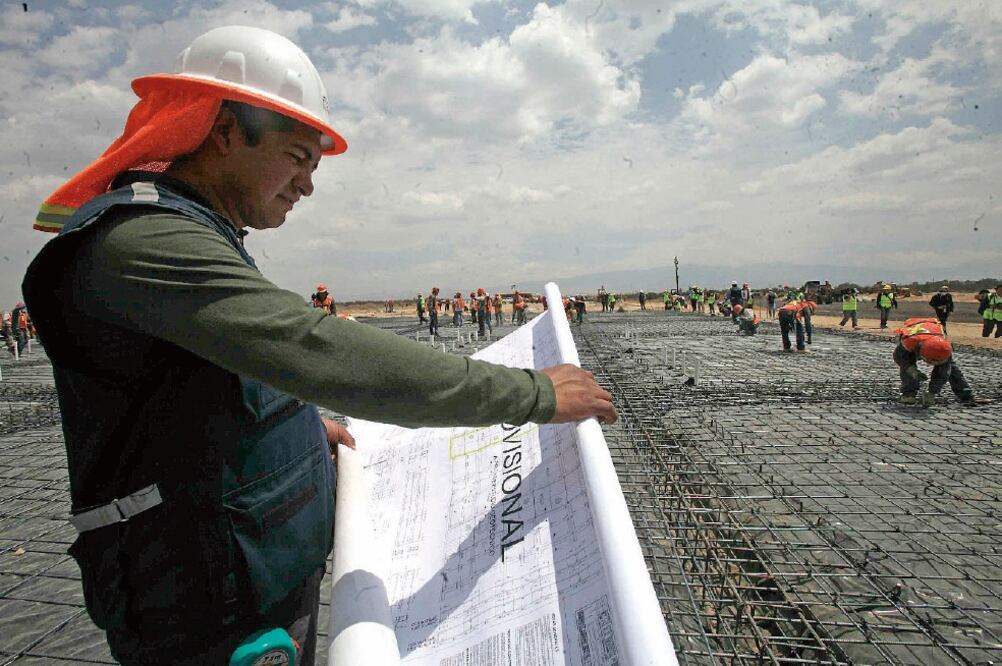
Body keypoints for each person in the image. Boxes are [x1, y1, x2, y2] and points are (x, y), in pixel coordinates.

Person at [22, 27, 619, 665]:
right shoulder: (142, 242)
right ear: (225, 132)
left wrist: (300, 431)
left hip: (248, 577)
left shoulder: (195, 228)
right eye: (297, 155)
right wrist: (532, 393)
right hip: (201, 606)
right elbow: (316, 350)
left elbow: (214, 379)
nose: (308, 184)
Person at [893, 318, 974, 405]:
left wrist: (932, 392)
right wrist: (912, 370)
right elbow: (899, 357)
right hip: (913, 331)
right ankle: (908, 394)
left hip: (933, 332)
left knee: (949, 367)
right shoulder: (909, 342)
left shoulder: (944, 348)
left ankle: (964, 391)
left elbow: (942, 373)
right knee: (908, 366)